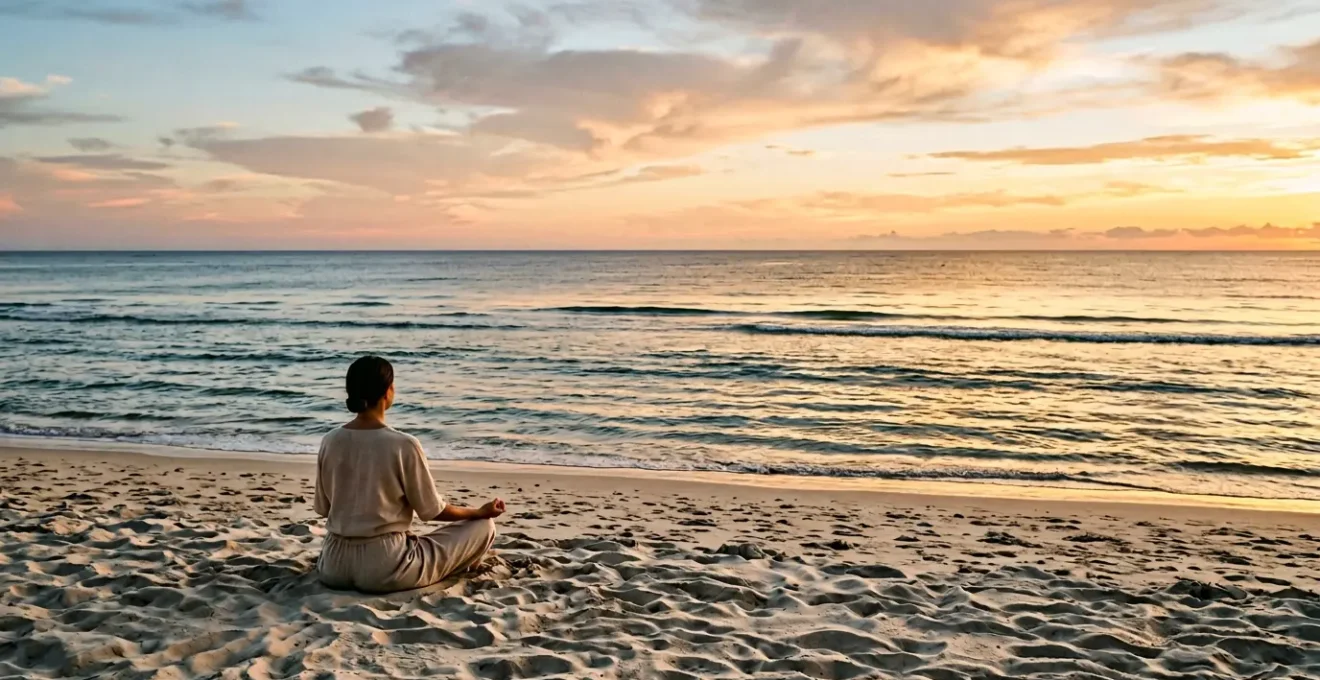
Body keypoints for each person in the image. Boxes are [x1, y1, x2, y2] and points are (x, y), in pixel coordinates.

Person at [314, 355, 505, 593]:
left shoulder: (330, 441)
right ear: (388, 391)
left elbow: (323, 508)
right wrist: (479, 512)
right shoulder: (403, 444)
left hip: (334, 565)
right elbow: (432, 511)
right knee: (484, 527)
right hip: (386, 566)